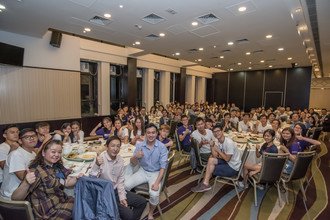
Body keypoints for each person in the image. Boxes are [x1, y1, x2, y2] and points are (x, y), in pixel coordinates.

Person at [11, 140, 83, 219]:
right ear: (43, 153)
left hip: (60, 201)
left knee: (82, 202)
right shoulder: (36, 171)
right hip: (47, 211)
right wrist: (26, 183)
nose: (57, 155)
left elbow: (66, 182)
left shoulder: (57, 166)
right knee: (82, 207)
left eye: (59, 152)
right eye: (53, 152)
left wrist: (77, 178)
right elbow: (15, 198)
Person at [90, 136, 147, 220]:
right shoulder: (101, 159)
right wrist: (96, 165)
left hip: (115, 190)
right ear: (107, 147)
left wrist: (122, 197)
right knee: (128, 214)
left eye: (118, 146)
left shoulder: (120, 159)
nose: (115, 148)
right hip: (104, 194)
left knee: (142, 202)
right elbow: (91, 179)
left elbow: (120, 180)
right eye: (112, 146)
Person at [125, 124, 168, 220]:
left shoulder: (162, 147)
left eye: (153, 132)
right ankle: (131, 205)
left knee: (154, 194)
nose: (151, 135)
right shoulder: (140, 145)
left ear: (157, 133)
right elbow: (132, 163)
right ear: (145, 134)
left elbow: (163, 168)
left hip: (156, 173)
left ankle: (150, 213)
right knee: (125, 186)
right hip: (142, 171)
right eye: (148, 133)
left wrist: (157, 183)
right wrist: (136, 156)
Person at [191, 123, 241, 192]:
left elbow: (227, 158)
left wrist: (218, 150)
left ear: (222, 131)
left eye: (218, 131)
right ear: (213, 133)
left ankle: (204, 183)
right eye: (214, 132)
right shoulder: (219, 141)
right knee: (211, 160)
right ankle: (205, 183)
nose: (217, 133)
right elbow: (215, 156)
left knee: (209, 168)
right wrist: (212, 146)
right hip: (228, 162)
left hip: (233, 167)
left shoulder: (228, 143)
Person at [0, 128, 37, 199]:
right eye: (27, 137)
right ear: (20, 141)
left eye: (34, 136)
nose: (32, 138)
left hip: (27, 192)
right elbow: (23, 177)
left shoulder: (33, 153)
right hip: (12, 196)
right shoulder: (16, 154)